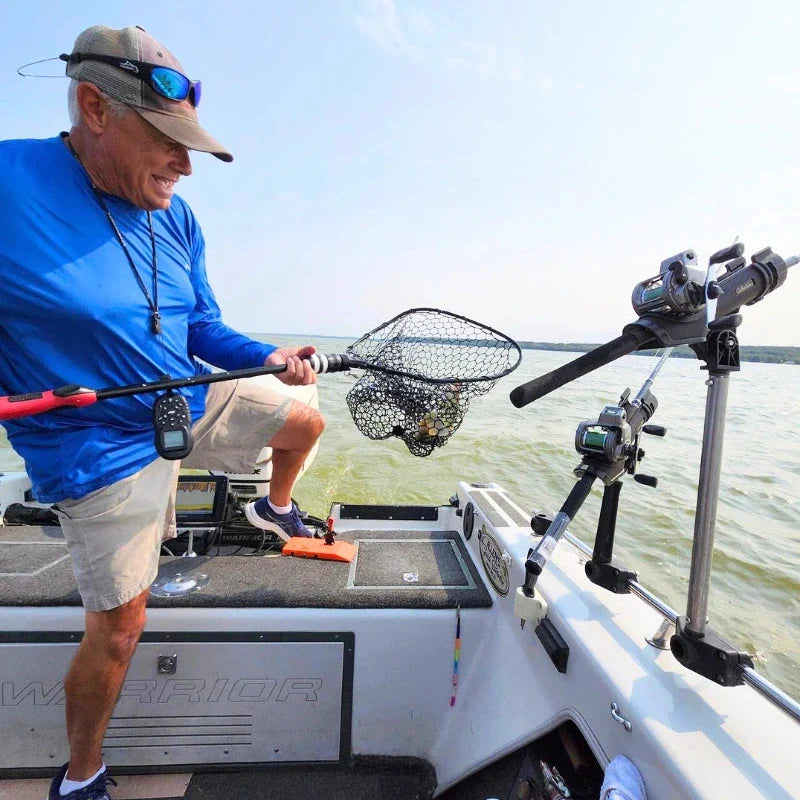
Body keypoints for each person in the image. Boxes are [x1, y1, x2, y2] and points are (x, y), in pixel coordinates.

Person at [0, 24, 325, 800]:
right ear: (94, 109)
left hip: (182, 396)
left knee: (305, 419)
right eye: (169, 142)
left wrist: (269, 355)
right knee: (121, 629)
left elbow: (200, 324)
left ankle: (275, 508)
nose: (186, 165)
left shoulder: (175, 216)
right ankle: (81, 776)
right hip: (94, 444)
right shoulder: (9, 184)